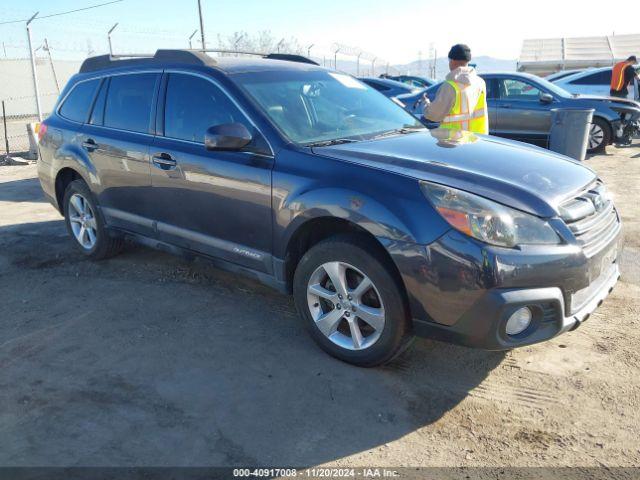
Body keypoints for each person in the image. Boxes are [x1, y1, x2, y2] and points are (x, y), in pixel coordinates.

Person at [423, 44, 488, 134]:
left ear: (452, 61)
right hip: (476, 140)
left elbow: (434, 115)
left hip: (453, 141)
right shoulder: (480, 82)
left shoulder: (450, 86)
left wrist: (426, 104)